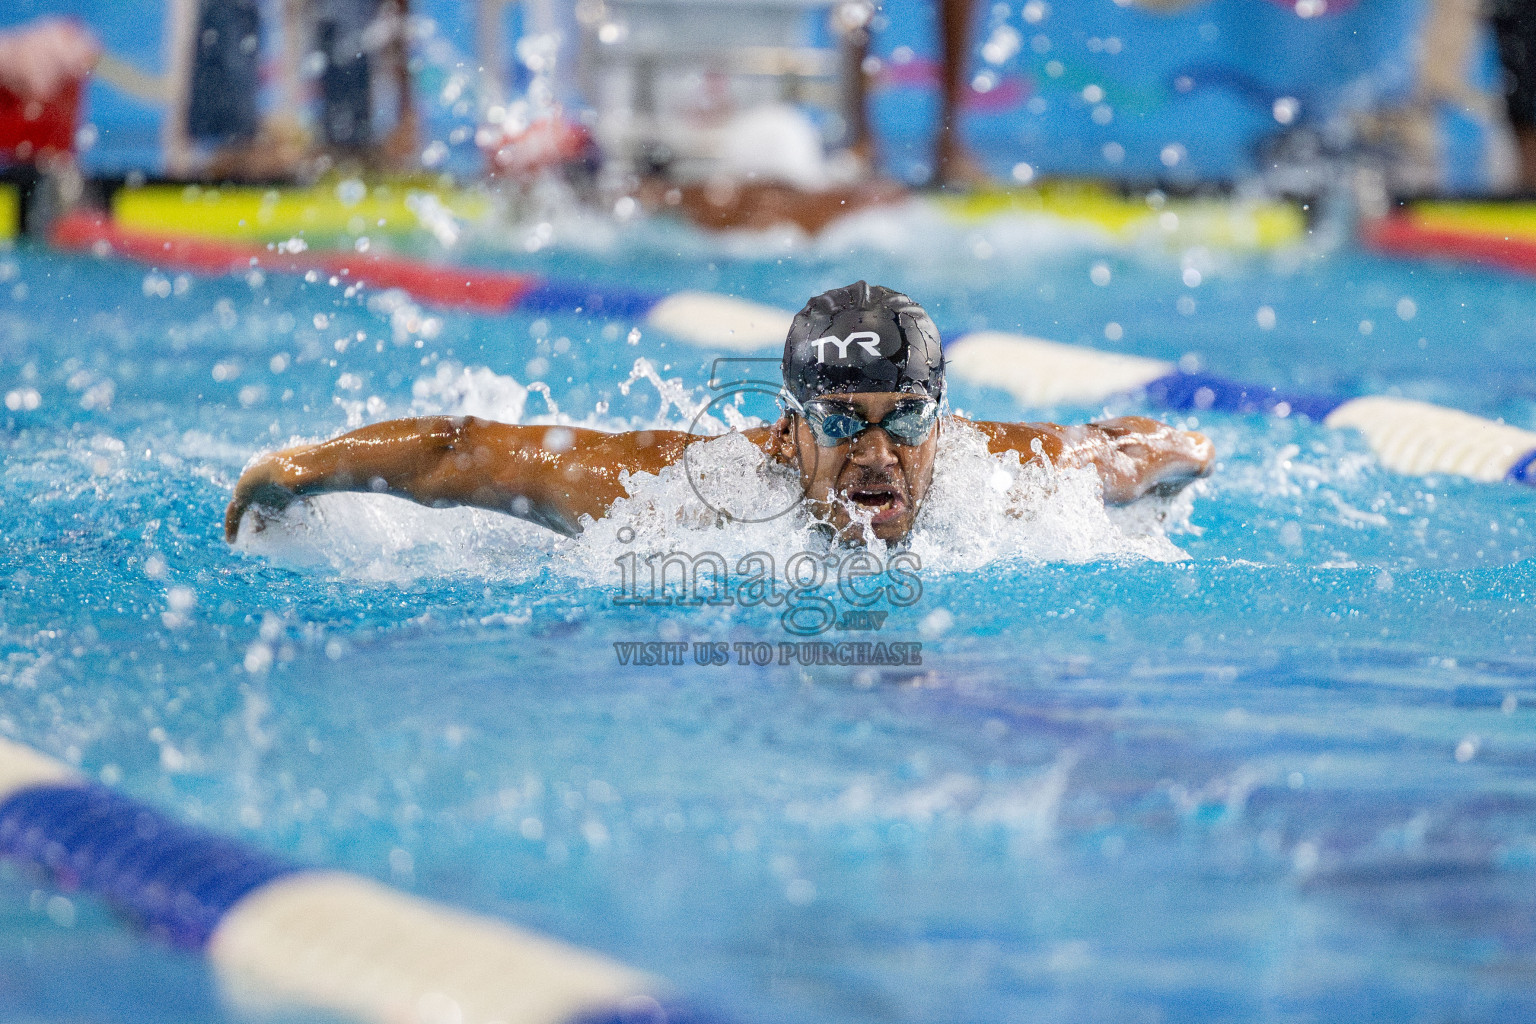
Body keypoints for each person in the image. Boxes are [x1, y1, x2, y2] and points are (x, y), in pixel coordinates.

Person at [225, 282, 1213, 546]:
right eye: (841, 420)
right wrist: (304, 466)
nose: (877, 451)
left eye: (903, 419)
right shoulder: (686, 491)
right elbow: (464, 450)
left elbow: (1126, 447)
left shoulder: (977, 469)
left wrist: (1177, 455)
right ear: (787, 432)